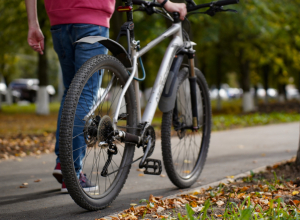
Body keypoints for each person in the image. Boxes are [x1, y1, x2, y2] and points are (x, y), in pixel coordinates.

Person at [25, 0, 187, 192]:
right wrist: (166, 3)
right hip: (92, 17)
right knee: (84, 94)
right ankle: (72, 171)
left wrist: (33, 23)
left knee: (72, 93)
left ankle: (64, 165)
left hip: (59, 20)